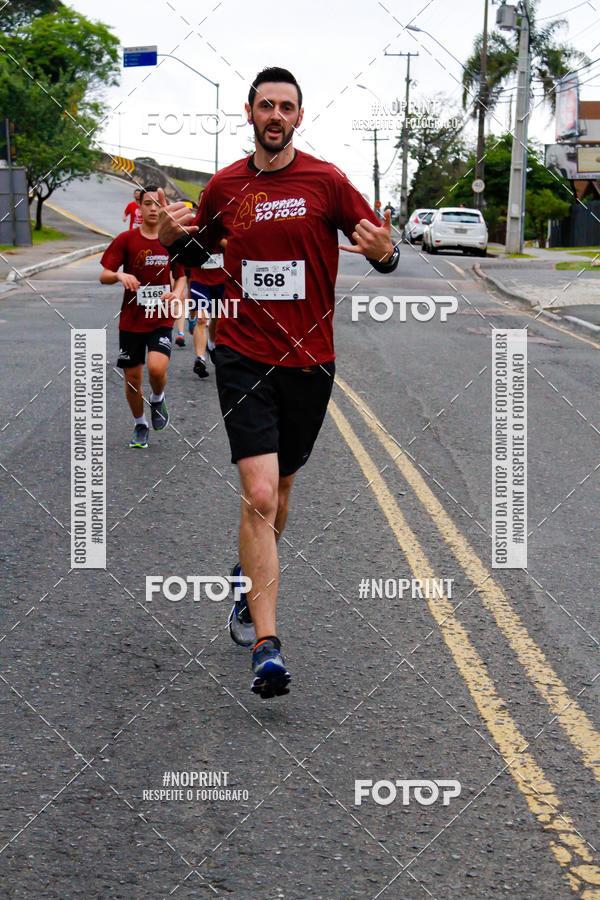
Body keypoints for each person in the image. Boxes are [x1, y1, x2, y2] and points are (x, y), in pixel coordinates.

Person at [158, 67, 399, 698]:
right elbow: (193, 255)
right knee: (259, 492)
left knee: (283, 487)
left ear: (299, 116)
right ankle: (267, 644)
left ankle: (245, 580)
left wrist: (386, 251)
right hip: (242, 351)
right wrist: (166, 238)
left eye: (285, 106)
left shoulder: (326, 182)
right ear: (248, 112)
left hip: (311, 359)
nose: (275, 114)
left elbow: (379, 246)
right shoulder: (225, 186)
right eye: (265, 104)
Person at [100, 184, 187, 448]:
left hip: (160, 316)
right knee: (133, 379)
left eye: (157, 204)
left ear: (164, 209)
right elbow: (104, 274)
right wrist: (119, 275)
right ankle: (140, 424)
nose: (153, 209)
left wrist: (176, 292)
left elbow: (182, 276)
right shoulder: (126, 240)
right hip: (131, 320)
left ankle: (158, 398)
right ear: (140, 208)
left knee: (157, 368)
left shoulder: (171, 242)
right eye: (148, 204)